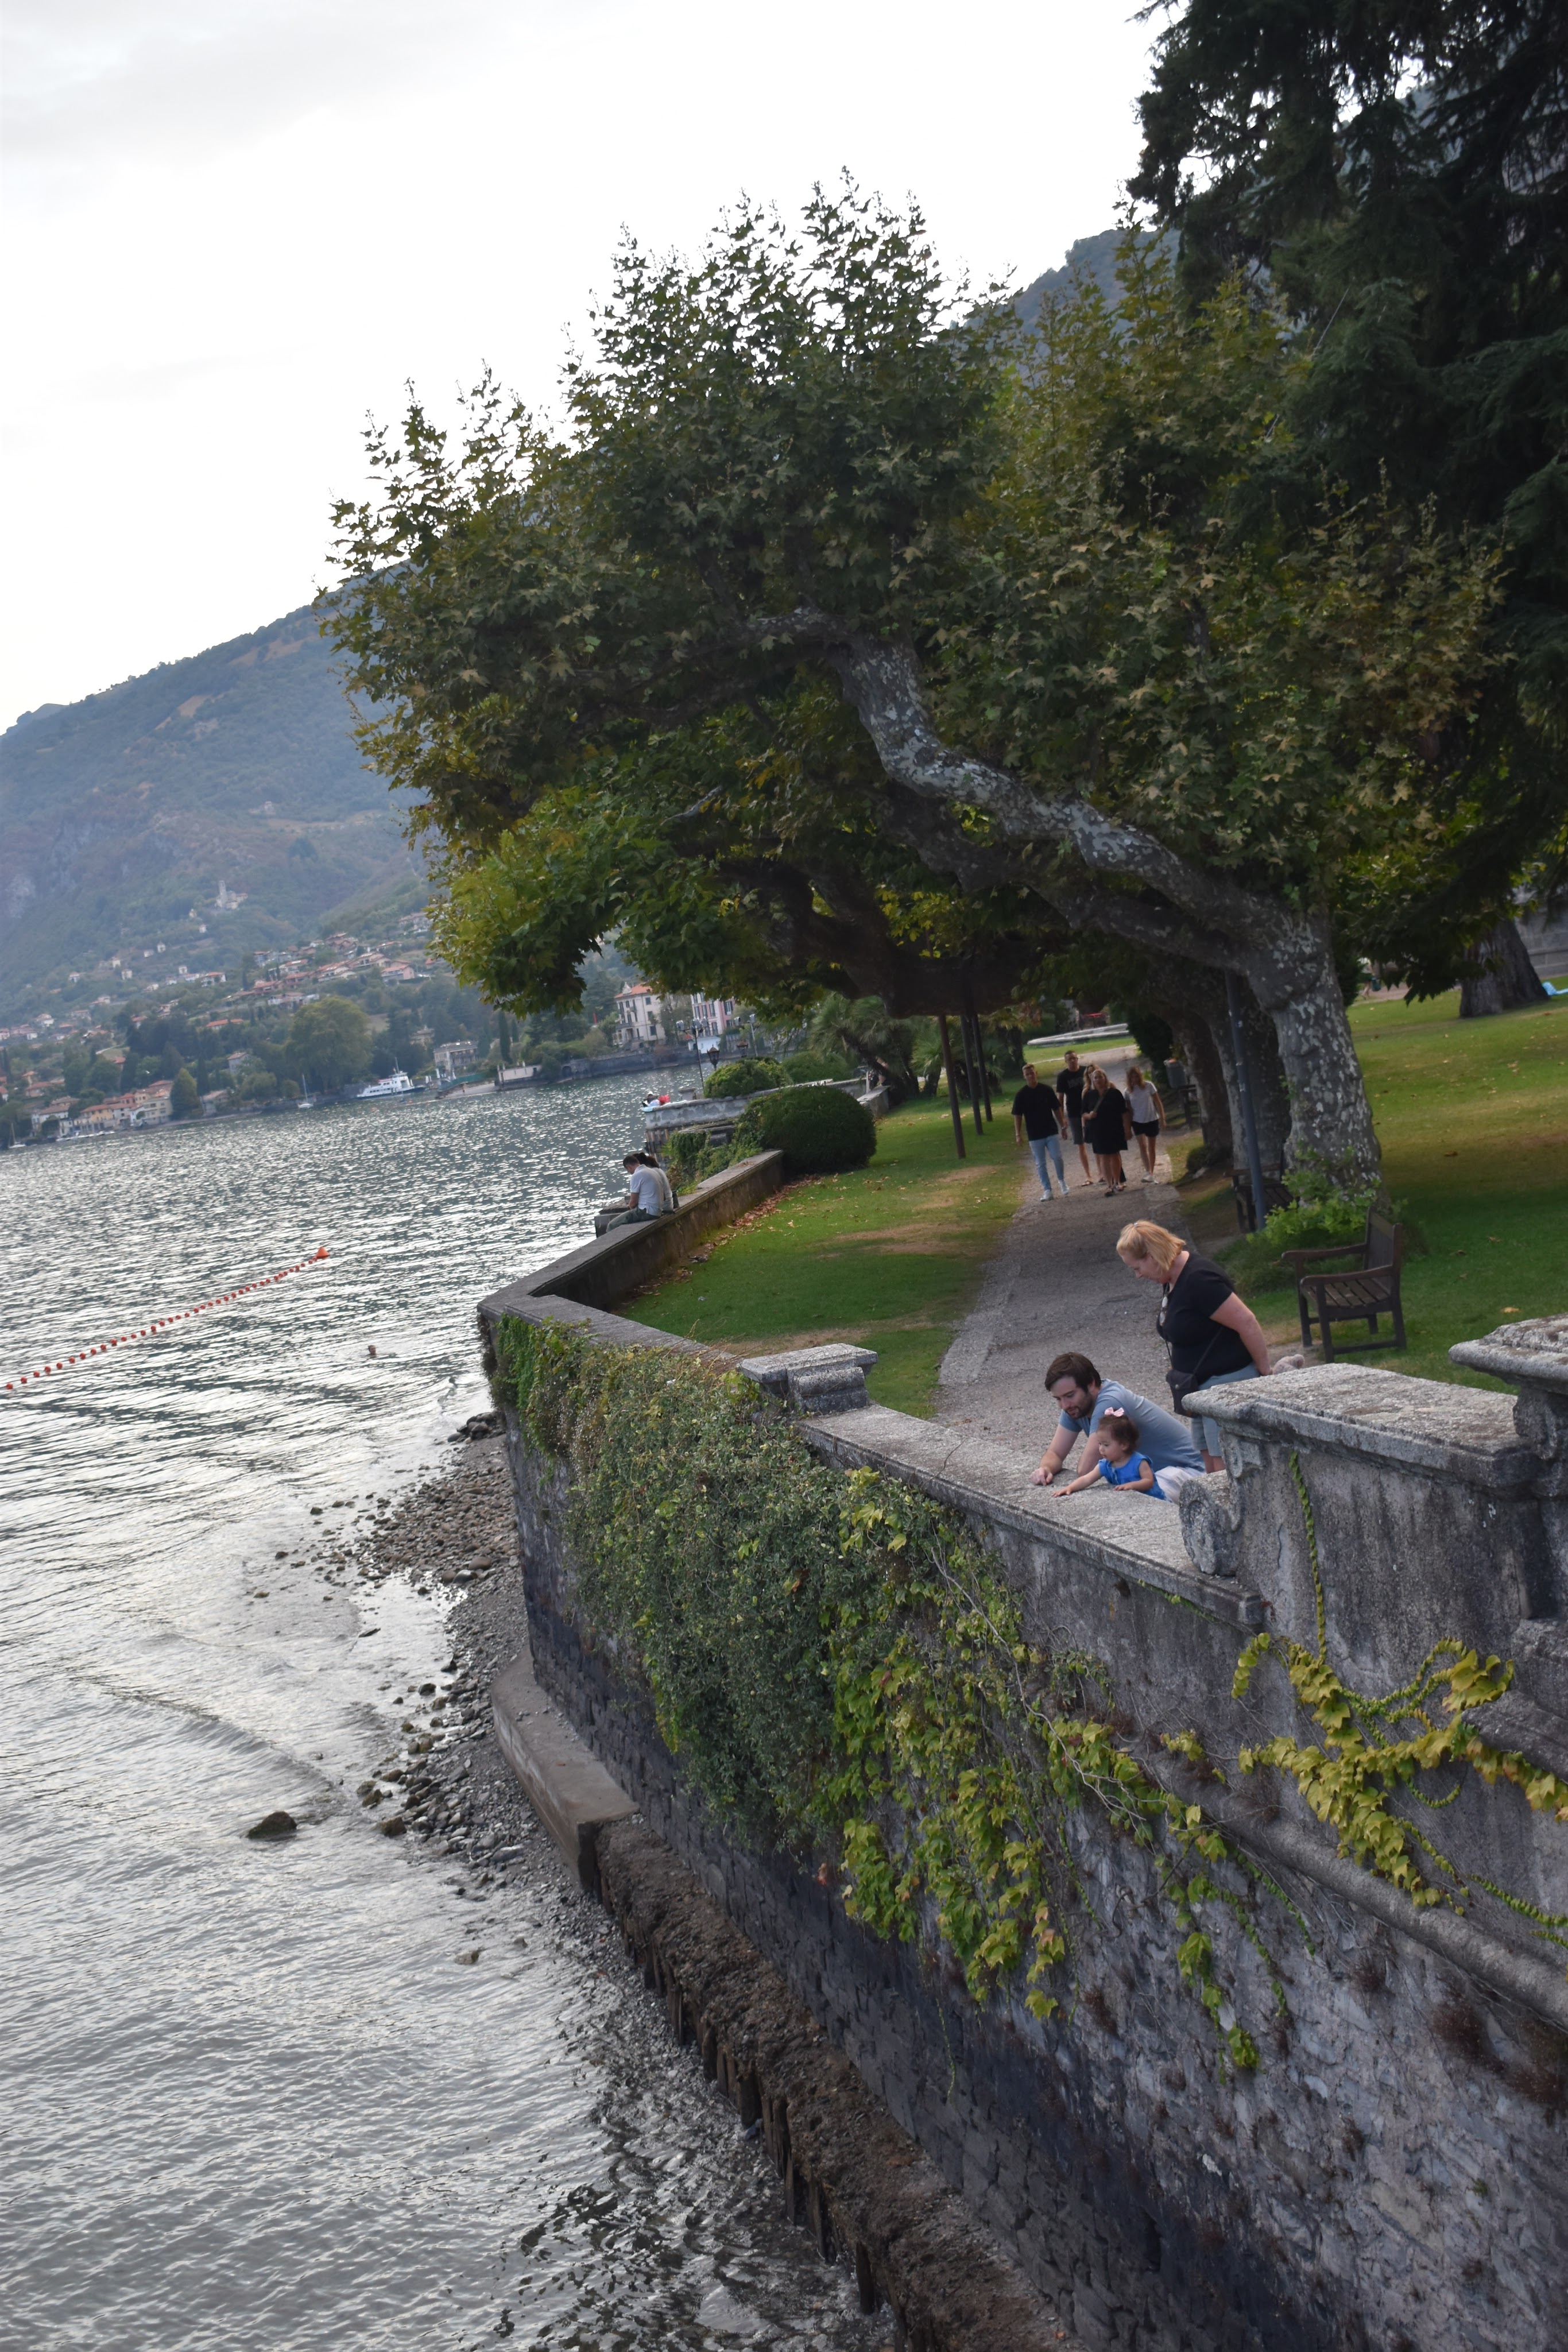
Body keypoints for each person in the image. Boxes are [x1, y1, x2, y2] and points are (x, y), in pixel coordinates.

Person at [1116, 1220, 1273, 1471]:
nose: (1138, 1275)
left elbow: (1247, 1322)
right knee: (1209, 1468)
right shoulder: (1172, 1277)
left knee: (1225, 1469)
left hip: (1224, 1386)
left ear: (1152, 1256)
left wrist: (1265, 1372)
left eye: (1137, 1267)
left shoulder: (1200, 1279)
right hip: (1199, 1388)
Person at [1031, 1352, 1207, 1486]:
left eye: (1069, 1395)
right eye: (1058, 1399)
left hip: (1190, 1472)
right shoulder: (1075, 1406)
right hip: (1158, 1475)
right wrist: (1045, 1468)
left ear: (1091, 1384)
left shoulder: (1111, 1401)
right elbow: (1055, 1453)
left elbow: (1085, 1469)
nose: (1064, 1405)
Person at [1049, 1406, 1164, 1499]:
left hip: (1153, 1500)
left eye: (1106, 1445)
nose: (1101, 1449)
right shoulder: (1106, 1465)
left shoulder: (1139, 1462)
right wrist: (1070, 1488)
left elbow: (1148, 1481)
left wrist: (1131, 1486)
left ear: (1124, 1445)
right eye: (1100, 1444)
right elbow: (1087, 1479)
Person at [1011, 1063, 1067, 1200]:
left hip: (1050, 1130)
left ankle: (1062, 1181)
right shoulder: (1021, 1095)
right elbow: (1018, 1115)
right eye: (1028, 1074)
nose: (1031, 1076)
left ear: (1036, 1074)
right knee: (1040, 1163)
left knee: (1057, 1157)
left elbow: (1056, 1108)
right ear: (1024, 1077)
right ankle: (1047, 1189)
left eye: (1032, 1073)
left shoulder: (1046, 1090)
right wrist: (1018, 1134)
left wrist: (1063, 1125)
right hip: (1034, 1134)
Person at [1086, 1066, 1130, 1192]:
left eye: (1100, 1077)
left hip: (1114, 1128)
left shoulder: (1115, 1093)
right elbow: (1083, 1113)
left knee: (1115, 1154)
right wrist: (1089, 1116)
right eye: (1095, 1078)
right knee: (1104, 1156)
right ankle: (1109, 1185)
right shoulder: (1089, 1095)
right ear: (1092, 1080)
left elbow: (1124, 1112)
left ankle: (1117, 1181)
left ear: (1105, 1079)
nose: (1098, 1080)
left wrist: (1127, 1129)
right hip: (1098, 1130)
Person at [1054, 1051, 1093, 1187]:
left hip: (1089, 1110)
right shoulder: (1063, 1077)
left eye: (1074, 1058)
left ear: (1078, 1059)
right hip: (1074, 1113)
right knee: (1080, 1144)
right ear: (1066, 1061)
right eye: (1069, 1059)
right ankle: (1088, 1175)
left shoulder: (1085, 1071)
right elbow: (1060, 1098)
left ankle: (1102, 1173)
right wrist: (1062, 1118)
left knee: (1096, 1141)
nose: (1072, 1061)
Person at [603, 1152, 670, 1229]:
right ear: (638, 1162)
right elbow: (664, 1197)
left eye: (628, 1171)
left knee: (612, 1225)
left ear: (629, 1167)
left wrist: (631, 1208)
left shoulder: (637, 1175)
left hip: (647, 1212)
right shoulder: (653, 1172)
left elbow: (633, 1203)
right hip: (658, 1211)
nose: (630, 1173)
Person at [1124, 1066, 1165, 1183]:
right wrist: (1128, 1127)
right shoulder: (1127, 1092)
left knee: (1152, 1147)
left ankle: (1151, 1172)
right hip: (1137, 1121)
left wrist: (1162, 1118)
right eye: (1132, 1077)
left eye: (1136, 1076)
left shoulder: (1149, 1086)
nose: (1135, 1079)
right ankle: (1148, 1171)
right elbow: (1129, 1110)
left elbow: (1158, 1102)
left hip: (1151, 1119)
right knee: (1142, 1146)